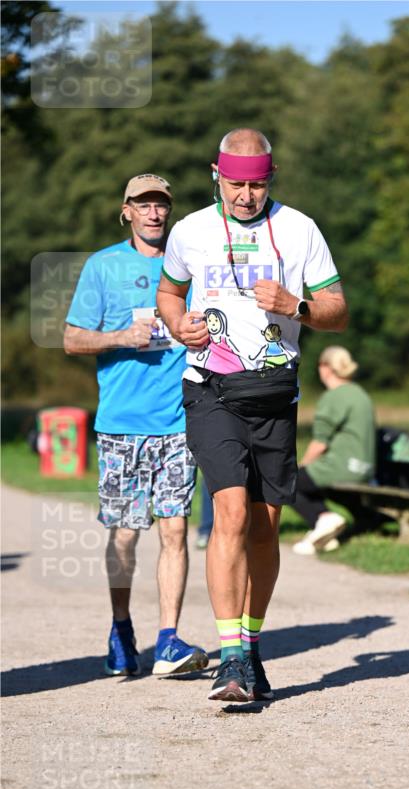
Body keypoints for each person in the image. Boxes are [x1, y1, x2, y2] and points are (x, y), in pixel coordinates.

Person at [156, 128, 348, 703]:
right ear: (217, 176)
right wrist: (176, 323)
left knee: (265, 529)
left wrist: (298, 306)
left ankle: (253, 645)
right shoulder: (189, 230)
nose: (246, 195)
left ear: (271, 178)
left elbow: (337, 311)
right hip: (209, 388)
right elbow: (170, 293)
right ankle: (231, 659)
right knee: (231, 513)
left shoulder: (299, 228)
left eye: (257, 184)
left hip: (274, 393)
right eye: (236, 183)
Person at [64, 174, 208, 677]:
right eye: (143, 205)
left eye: (160, 205)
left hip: (178, 420)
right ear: (125, 210)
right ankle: (122, 626)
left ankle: (168, 640)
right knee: (125, 534)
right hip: (121, 424)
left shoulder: (190, 263)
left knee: (175, 528)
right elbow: (72, 339)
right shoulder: (103, 266)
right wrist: (123, 336)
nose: (153, 213)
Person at [292, 345, 375, 555]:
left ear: (327, 367)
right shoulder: (360, 394)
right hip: (365, 469)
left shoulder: (334, 397)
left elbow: (320, 443)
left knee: (288, 481)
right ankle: (330, 535)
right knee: (312, 482)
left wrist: (302, 466)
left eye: (320, 364)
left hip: (342, 467)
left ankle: (324, 519)